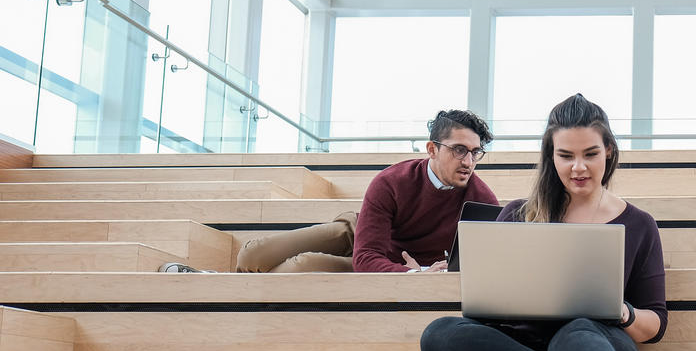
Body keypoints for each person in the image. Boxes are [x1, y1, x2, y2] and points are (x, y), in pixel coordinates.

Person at [418, 94, 676, 351]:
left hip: (598, 347)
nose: (578, 167)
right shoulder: (519, 214)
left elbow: (655, 324)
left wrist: (620, 310)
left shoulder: (639, 224)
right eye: (565, 156)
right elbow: (481, 312)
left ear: (609, 151)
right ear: (550, 156)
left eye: (590, 153)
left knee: (578, 326)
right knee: (438, 335)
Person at [158, 109, 499, 273]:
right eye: (458, 149)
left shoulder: (482, 201)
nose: (468, 160)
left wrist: (420, 273)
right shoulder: (392, 182)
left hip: (392, 265)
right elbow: (365, 255)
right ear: (431, 149)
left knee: (299, 269)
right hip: (360, 236)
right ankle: (215, 282)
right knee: (252, 256)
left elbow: (479, 271)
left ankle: (212, 283)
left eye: (475, 152)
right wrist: (412, 272)